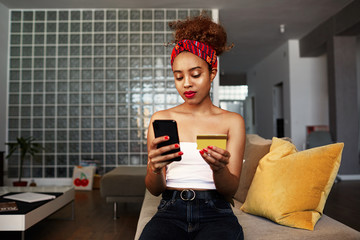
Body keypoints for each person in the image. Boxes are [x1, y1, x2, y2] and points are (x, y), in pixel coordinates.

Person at [139, 14, 245, 240]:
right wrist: (154, 168)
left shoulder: (232, 121)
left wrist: (219, 169)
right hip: (170, 210)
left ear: (212, 73)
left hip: (217, 212)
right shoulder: (161, 119)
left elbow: (230, 191)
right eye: (179, 77)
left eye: (195, 74)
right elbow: (155, 189)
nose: (186, 83)